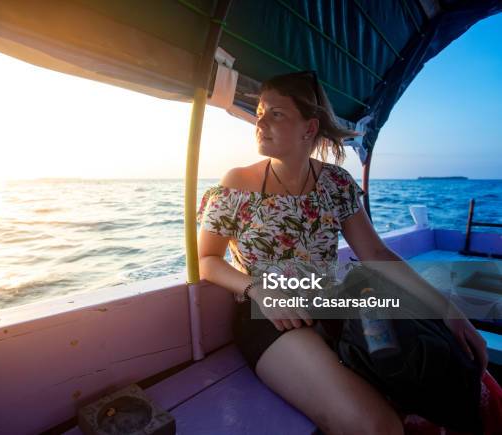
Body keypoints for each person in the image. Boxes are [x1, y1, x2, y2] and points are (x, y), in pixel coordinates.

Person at [196, 72, 488, 435]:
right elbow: (206, 260)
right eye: (259, 112)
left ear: (309, 128)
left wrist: (447, 309)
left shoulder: (336, 184)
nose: (260, 122)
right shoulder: (236, 184)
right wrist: (258, 290)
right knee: (379, 427)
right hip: (270, 316)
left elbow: (377, 254)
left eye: (276, 114)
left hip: (337, 306)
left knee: (429, 362)